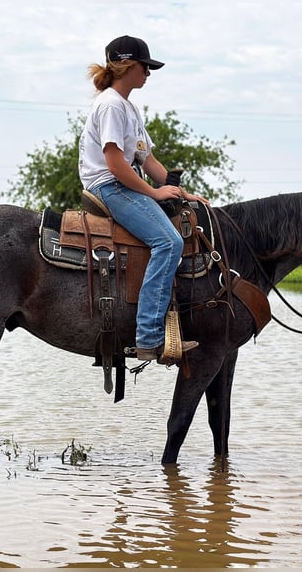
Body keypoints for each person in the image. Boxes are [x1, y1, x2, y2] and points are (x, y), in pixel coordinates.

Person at [78, 35, 209, 362]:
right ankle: (149, 339)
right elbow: (115, 162)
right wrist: (152, 192)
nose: (148, 73)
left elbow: (147, 161)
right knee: (169, 243)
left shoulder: (129, 108)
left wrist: (182, 192)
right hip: (109, 186)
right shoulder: (110, 105)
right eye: (144, 67)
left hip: (122, 183)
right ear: (126, 66)